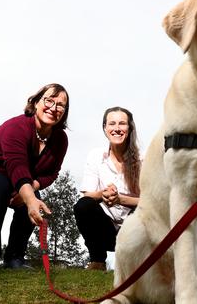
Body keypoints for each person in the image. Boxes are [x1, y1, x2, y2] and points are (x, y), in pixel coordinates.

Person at [0, 84, 69, 275]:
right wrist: (28, 197)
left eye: (60, 105)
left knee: (33, 194)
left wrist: (31, 190)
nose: (53, 108)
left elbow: (51, 173)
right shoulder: (16, 126)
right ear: (36, 103)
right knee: (0, 185)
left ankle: (14, 257)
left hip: (18, 181)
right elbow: (17, 165)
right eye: (49, 100)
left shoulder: (60, 139)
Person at [74, 106, 141, 270]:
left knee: (149, 211)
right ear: (105, 128)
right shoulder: (96, 156)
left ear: (129, 128)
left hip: (133, 230)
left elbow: (152, 202)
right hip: (106, 230)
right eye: (112, 124)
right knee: (83, 205)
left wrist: (121, 199)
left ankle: (138, 264)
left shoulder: (143, 159)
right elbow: (87, 195)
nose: (117, 128)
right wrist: (103, 194)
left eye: (122, 124)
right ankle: (97, 260)